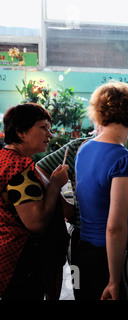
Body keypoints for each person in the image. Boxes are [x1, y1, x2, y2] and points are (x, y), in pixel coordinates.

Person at [36, 126, 128, 299]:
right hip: (82, 238)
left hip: (118, 242)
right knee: (81, 289)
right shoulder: (77, 148)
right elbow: (40, 171)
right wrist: (63, 204)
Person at [74, 81, 128, 300]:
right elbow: (115, 227)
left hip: (87, 250)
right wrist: (114, 281)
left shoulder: (84, 148)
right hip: (118, 258)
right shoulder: (126, 159)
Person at [0, 103, 69, 300]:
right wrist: (55, 184)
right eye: (43, 128)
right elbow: (36, 222)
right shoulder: (18, 167)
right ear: (21, 132)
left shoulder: (6, 158)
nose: (50, 134)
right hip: (19, 260)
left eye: (49, 128)